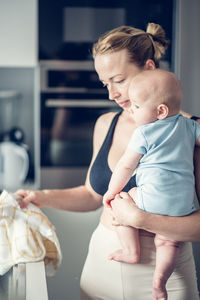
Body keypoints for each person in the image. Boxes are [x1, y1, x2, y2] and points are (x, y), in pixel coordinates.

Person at [16, 23, 200, 300]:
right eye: (105, 83)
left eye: (119, 80)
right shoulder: (107, 123)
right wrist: (40, 197)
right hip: (103, 266)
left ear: (149, 68)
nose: (111, 94)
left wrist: (140, 219)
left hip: (166, 278)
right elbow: (93, 194)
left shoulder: (190, 133)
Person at [103, 68, 200, 299]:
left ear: (160, 111)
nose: (132, 111)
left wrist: (111, 192)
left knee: (124, 200)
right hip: (183, 206)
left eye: (136, 106)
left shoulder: (144, 133)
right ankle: (160, 279)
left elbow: (125, 166)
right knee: (168, 242)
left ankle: (130, 250)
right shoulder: (190, 126)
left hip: (150, 200)